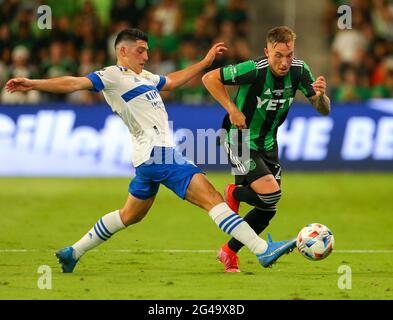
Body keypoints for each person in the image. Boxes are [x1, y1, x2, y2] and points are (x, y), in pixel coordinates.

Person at [5, 28, 296, 273]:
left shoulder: (145, 78)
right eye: (141, 51)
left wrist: (205, 61)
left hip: (147, 160)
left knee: (129, 215)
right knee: (212, 198)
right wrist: (33, 84)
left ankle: (74, 252)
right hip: (159, 154)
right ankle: (260, 249)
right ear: (123, 52)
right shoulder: (112, 76)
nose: (146, 56)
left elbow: (173, 81)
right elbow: (72, 83)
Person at [202, 26, 331, 272]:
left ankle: (229, 251)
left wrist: (320, 96)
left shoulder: (300, 70)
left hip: (268, 144)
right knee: (271, 193)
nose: (284, 62)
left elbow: (323, 109)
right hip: (239, 139)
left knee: (267, 209)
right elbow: (209, 78)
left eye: (289, 55)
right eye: (278, 55)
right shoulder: (254, 69)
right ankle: (236, 193)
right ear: (267, 52)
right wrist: (232, 108)